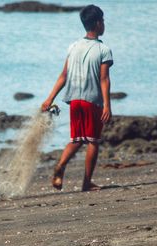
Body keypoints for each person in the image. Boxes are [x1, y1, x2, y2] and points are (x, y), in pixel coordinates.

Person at [41, 5, 113, 192]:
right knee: (93, 141)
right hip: (91, 100)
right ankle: (86, 182)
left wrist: (49, 98)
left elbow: (63, 75)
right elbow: (104, 79)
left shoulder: (73, 46)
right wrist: (107, 105)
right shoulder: (103, 49)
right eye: (103, 21)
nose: (104, 24)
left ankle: (60, 166)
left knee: (77, 139)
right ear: (98, 23)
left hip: (74, 100)